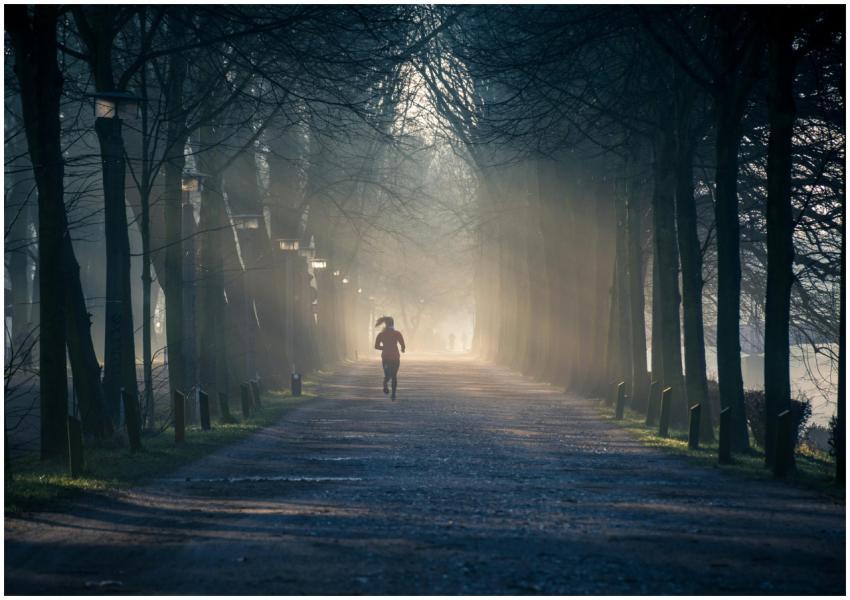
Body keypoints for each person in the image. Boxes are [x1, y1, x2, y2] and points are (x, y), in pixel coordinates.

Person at [374, 316, 405, 400]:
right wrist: (402, 349)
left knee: (387, 374)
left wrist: (384, 348)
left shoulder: (381, 334)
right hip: (395, 357)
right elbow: (402, 344)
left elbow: (376, 346)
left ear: (385, 324)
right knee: (394, 375)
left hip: (386, 358)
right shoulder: (397, 333)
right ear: (393, 323)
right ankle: (393, 394)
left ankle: (385, 383)